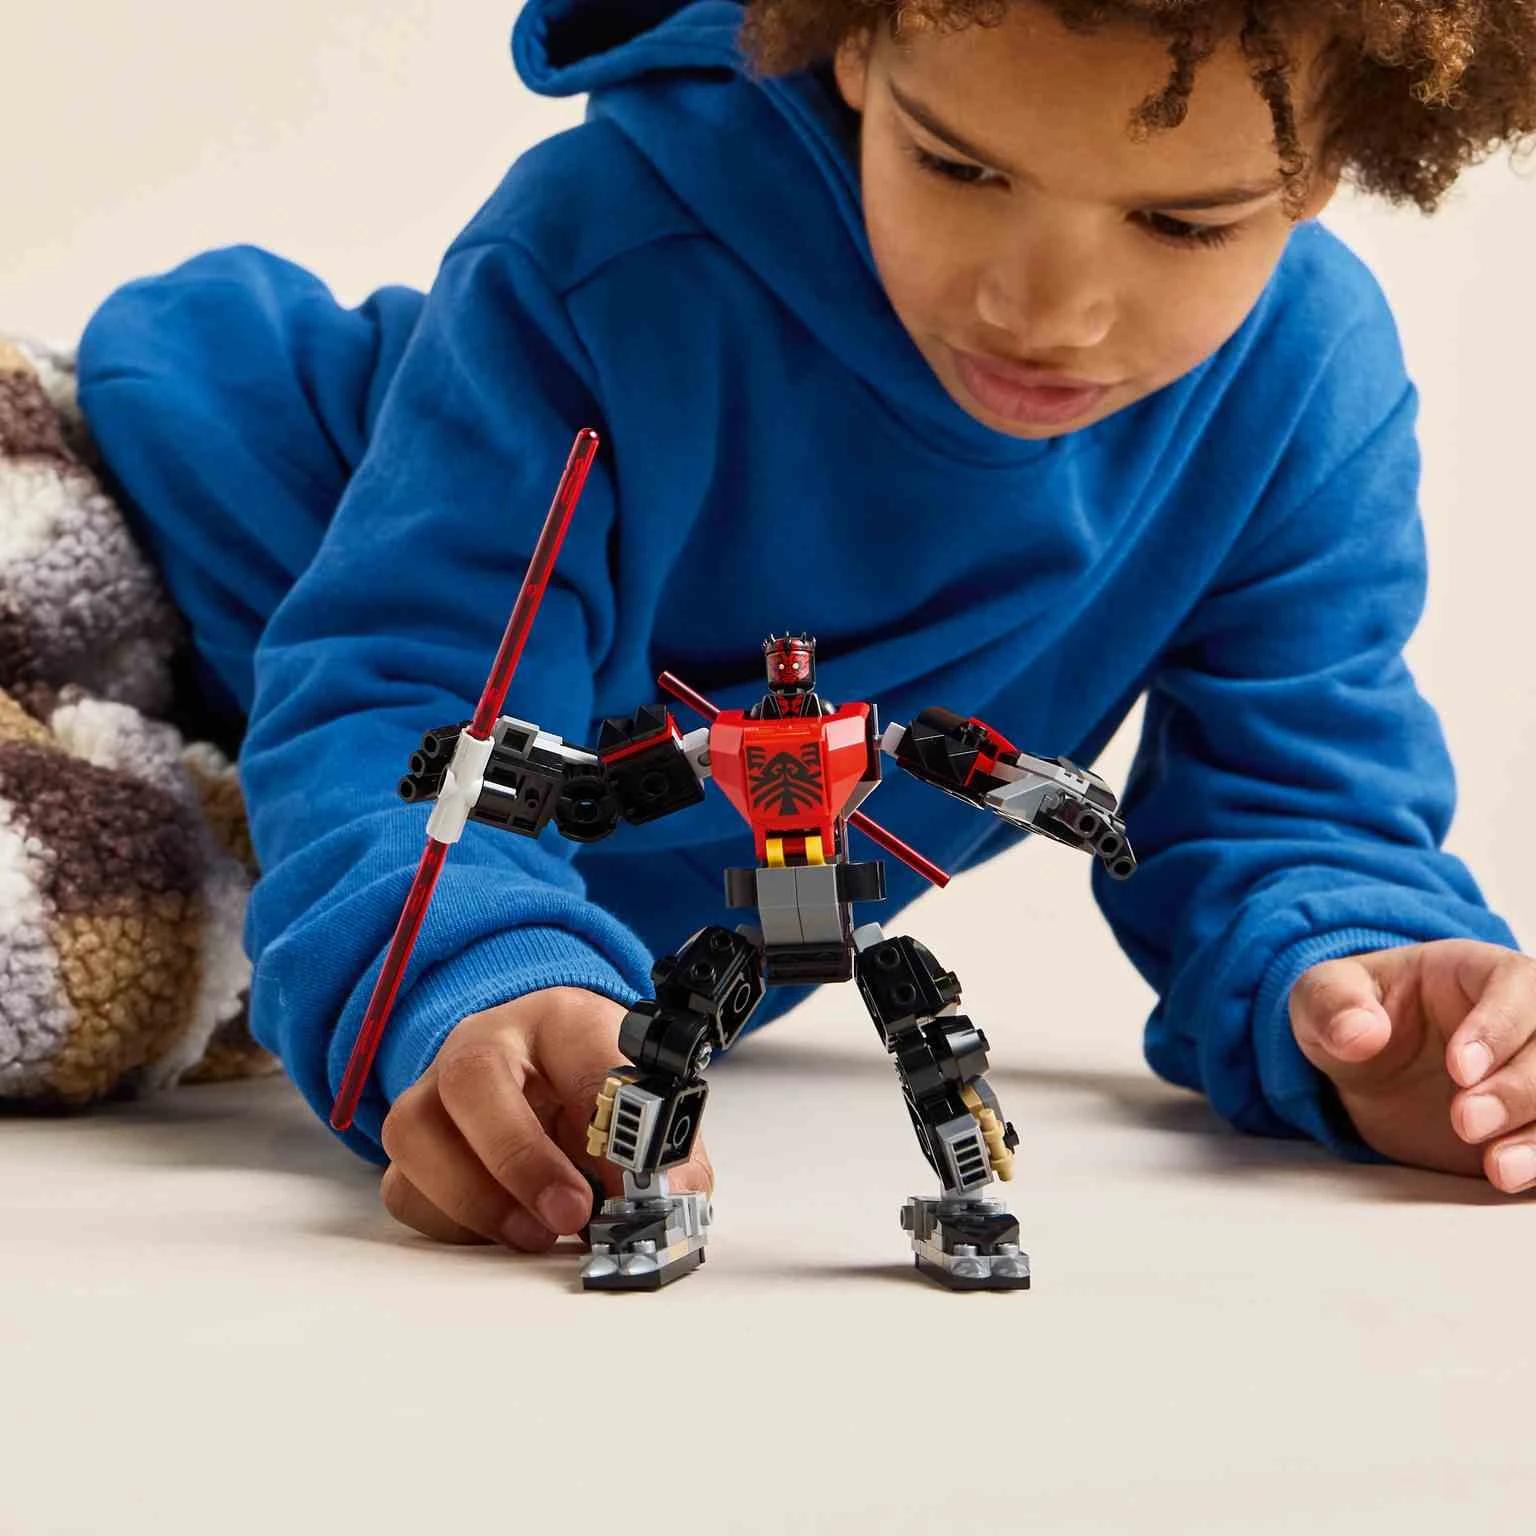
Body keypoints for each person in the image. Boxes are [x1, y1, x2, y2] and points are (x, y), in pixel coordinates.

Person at [70, 0, 1536, 1257]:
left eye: (1182, 221)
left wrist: (1373, 995)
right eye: (959, 166)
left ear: (1329, 161)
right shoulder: (604, 259)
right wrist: (473, 968)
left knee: (160, 941)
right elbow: (419, 698)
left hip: (300, 823)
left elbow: (1289, 804)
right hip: (161, 529)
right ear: (853, 49)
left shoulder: (1301, 393)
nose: (1050, 312)